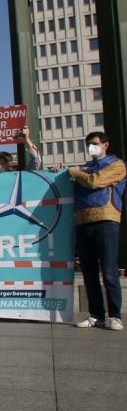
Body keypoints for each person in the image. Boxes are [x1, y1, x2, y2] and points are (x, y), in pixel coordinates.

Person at [68, 132, 125, 331]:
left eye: (95, 144)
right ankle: (96, 315)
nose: (91, 147)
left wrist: (75, 174)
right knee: (89, 273)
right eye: (88, 144)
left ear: (105, 145)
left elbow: (95, 181)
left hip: (106, 221)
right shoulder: (86, 167)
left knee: (109, 271)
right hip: (83, 222)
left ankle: (115, 315)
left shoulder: (117, 165)